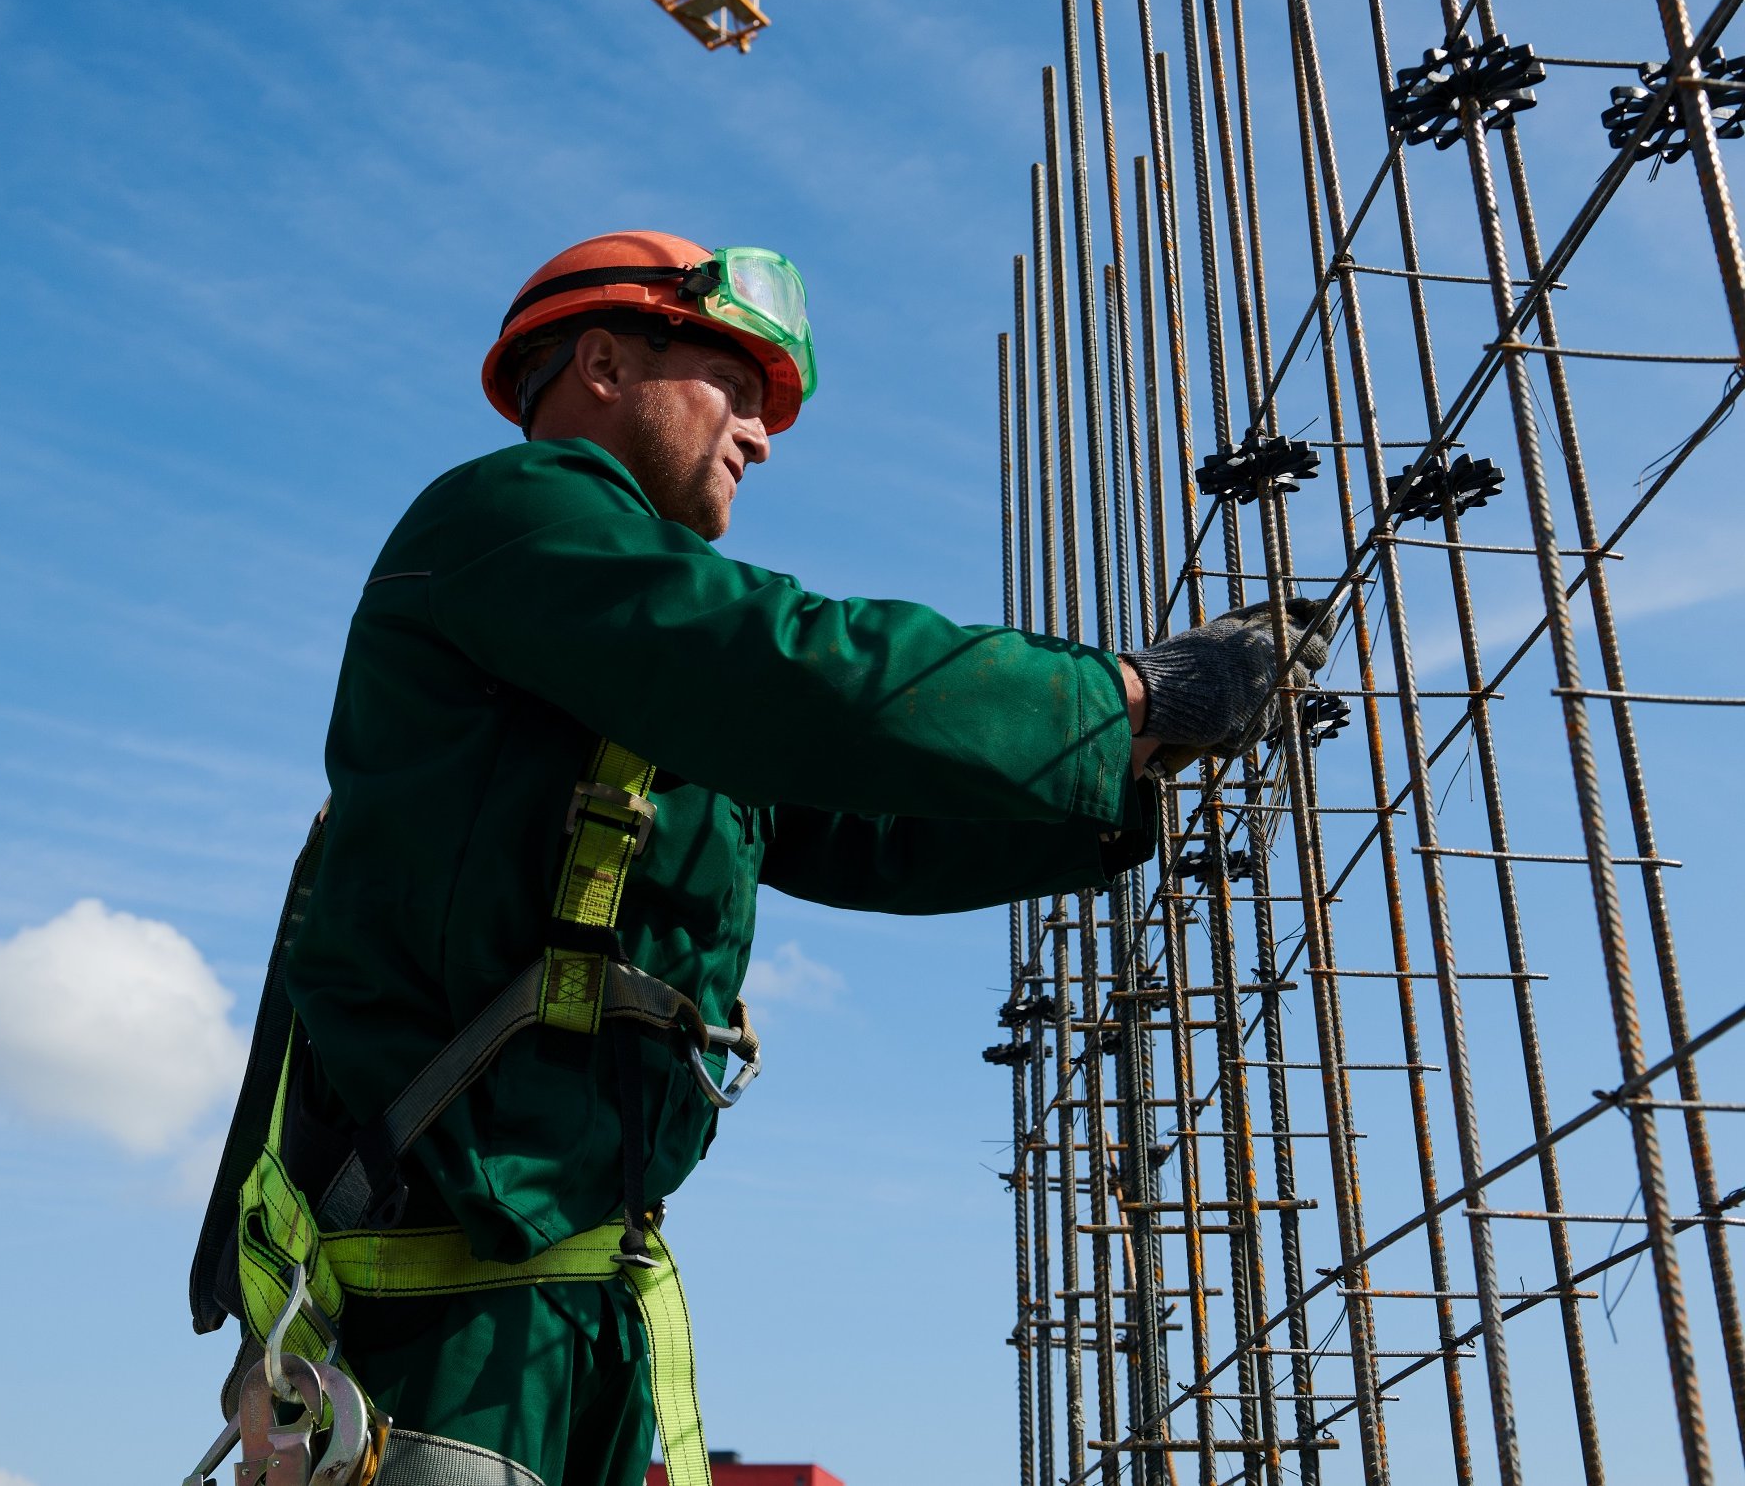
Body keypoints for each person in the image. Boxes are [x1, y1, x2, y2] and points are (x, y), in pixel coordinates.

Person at [192, 231, 1332, 1486]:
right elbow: (788, 669)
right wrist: (1119, 694)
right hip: (439, 1304)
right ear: (605, 361)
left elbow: (860, 823)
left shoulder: (631, 663)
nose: (762, 432)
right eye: (734, 384)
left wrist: (1124, 766)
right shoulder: (508, 519)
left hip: (580, 1292)